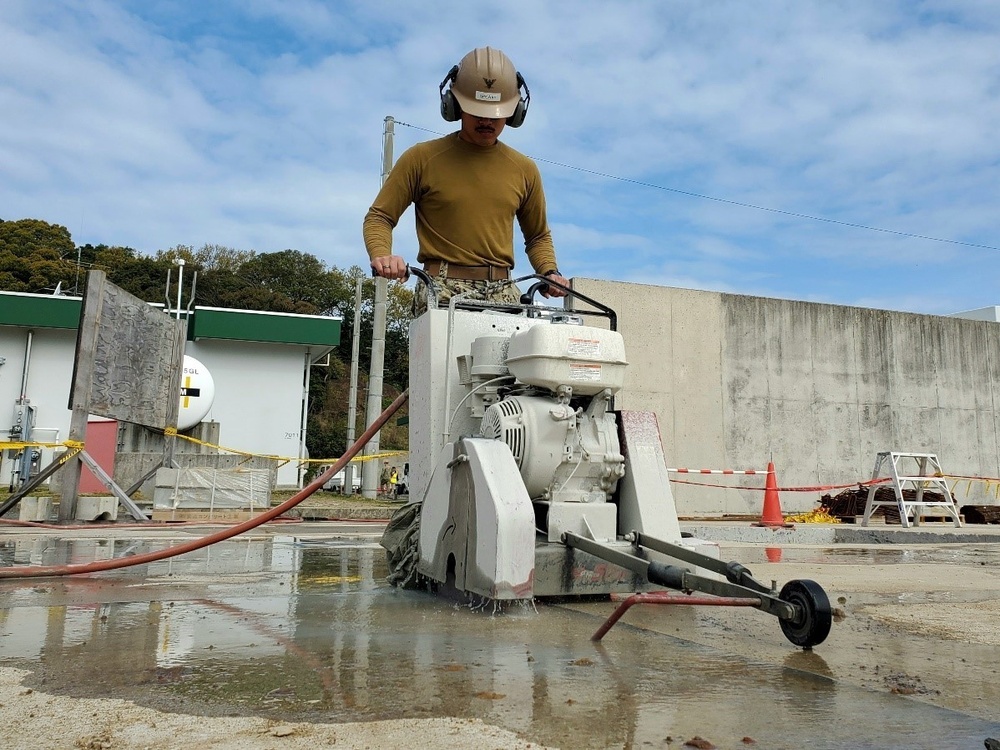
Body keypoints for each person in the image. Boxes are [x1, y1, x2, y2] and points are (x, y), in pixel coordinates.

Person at [363, 46, 570, 314]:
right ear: (454, 105)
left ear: (515, 111)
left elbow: (538, 235)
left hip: (503, 292)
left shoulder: (524, 169)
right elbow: (380, 217)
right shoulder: (421, 158)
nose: (486, 120)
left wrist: (549, 272)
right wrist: (382, 255)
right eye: (477, 111)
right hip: (441, 290)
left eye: (495, 113)